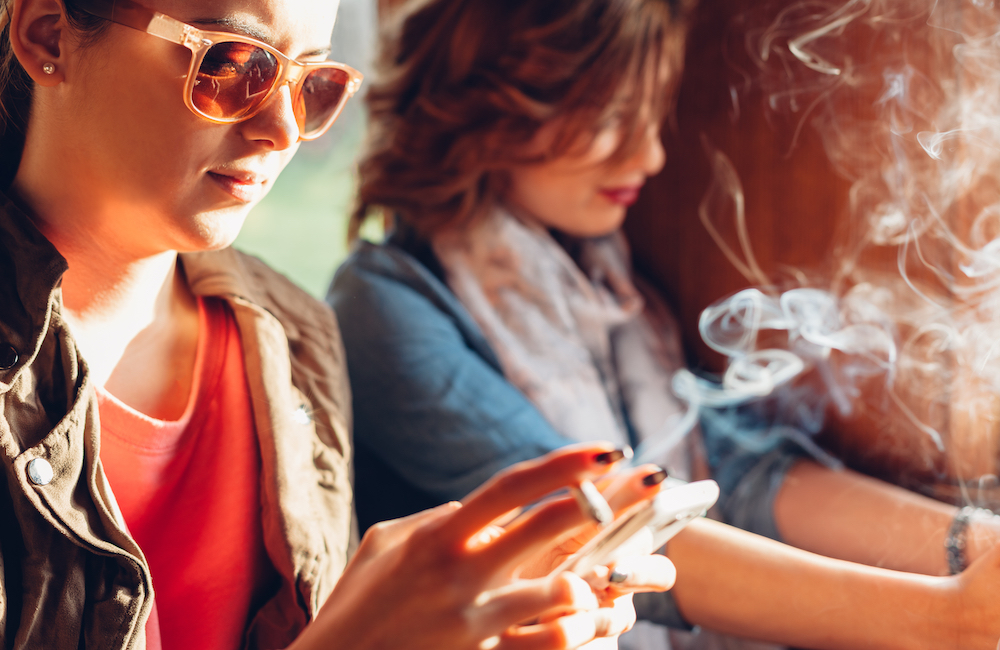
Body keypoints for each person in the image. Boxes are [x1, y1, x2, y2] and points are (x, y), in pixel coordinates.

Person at [0, 0, 678, 647]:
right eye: (232, 63)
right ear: (47, 35)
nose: (284, 129)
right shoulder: (374, 313)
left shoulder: (296, 341)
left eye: (312, 84)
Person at [328, 0, 1000, 647]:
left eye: (652, 119)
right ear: (496, 100)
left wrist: (975, 540)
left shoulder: (615, 293)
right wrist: (946, 621)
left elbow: (737, 479)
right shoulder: (386, 306)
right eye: (614, 118)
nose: (648, 156)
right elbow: (591, 529)